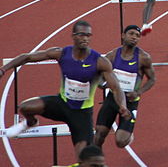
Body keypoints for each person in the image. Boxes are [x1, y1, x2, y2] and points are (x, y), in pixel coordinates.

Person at [0, 21, 130, 160]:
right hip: (61, 103)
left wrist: (122, 105)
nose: (85, 38)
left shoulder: (100, 61)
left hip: (81, 114)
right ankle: (30, 123)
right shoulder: (61, 53)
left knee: (83, 157)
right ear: (73, 36)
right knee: (25, 107)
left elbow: (116, 88)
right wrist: (3, 69)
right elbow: (27, 57)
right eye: (81, 35)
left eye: (88, 35)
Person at [94, 25, 155, 149]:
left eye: (137, 36)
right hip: (113, 99)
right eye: (131, 34)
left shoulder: (143, 58)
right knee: (99, 134)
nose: (134, 37)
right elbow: (98, 74)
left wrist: (138, 92)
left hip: (130, 101)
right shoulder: (112, 55)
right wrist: (103, 84)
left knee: (120, 142)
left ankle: (128, 135)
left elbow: (152, 79)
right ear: (123, 35)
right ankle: (95, 160)